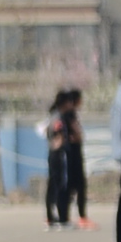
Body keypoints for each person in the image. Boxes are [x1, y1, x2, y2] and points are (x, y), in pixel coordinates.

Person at [43, 86, 89, 230]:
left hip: (57, 154)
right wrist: (62, 141)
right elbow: (57, 136)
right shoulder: (60, 118)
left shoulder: (55, 116)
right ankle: (60, 218)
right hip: (60, 155)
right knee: (61, 185)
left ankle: (55, 217)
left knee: (57, 185)